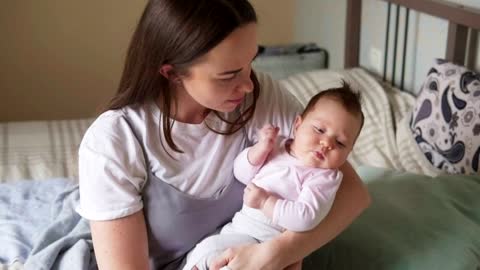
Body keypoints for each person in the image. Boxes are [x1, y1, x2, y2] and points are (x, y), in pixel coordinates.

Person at [75, 0, 371, 269]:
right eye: (229, 74)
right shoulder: (115, 140)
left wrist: (277, 253)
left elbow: (353, 194)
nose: (248, 85)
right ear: (172, 73)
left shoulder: (260, 95)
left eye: (250, 62)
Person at [182, 84, 364, 270]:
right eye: (319, 130)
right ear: (297, 125)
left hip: (267, 241)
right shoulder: (277, 146)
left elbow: (306, 217)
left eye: (340, 143)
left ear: (348, 153)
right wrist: (258, 151)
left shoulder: (324, 178)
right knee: (204, 249)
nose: (326, 143)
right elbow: (241, 173)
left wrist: (265, 202)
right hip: (238, 229)